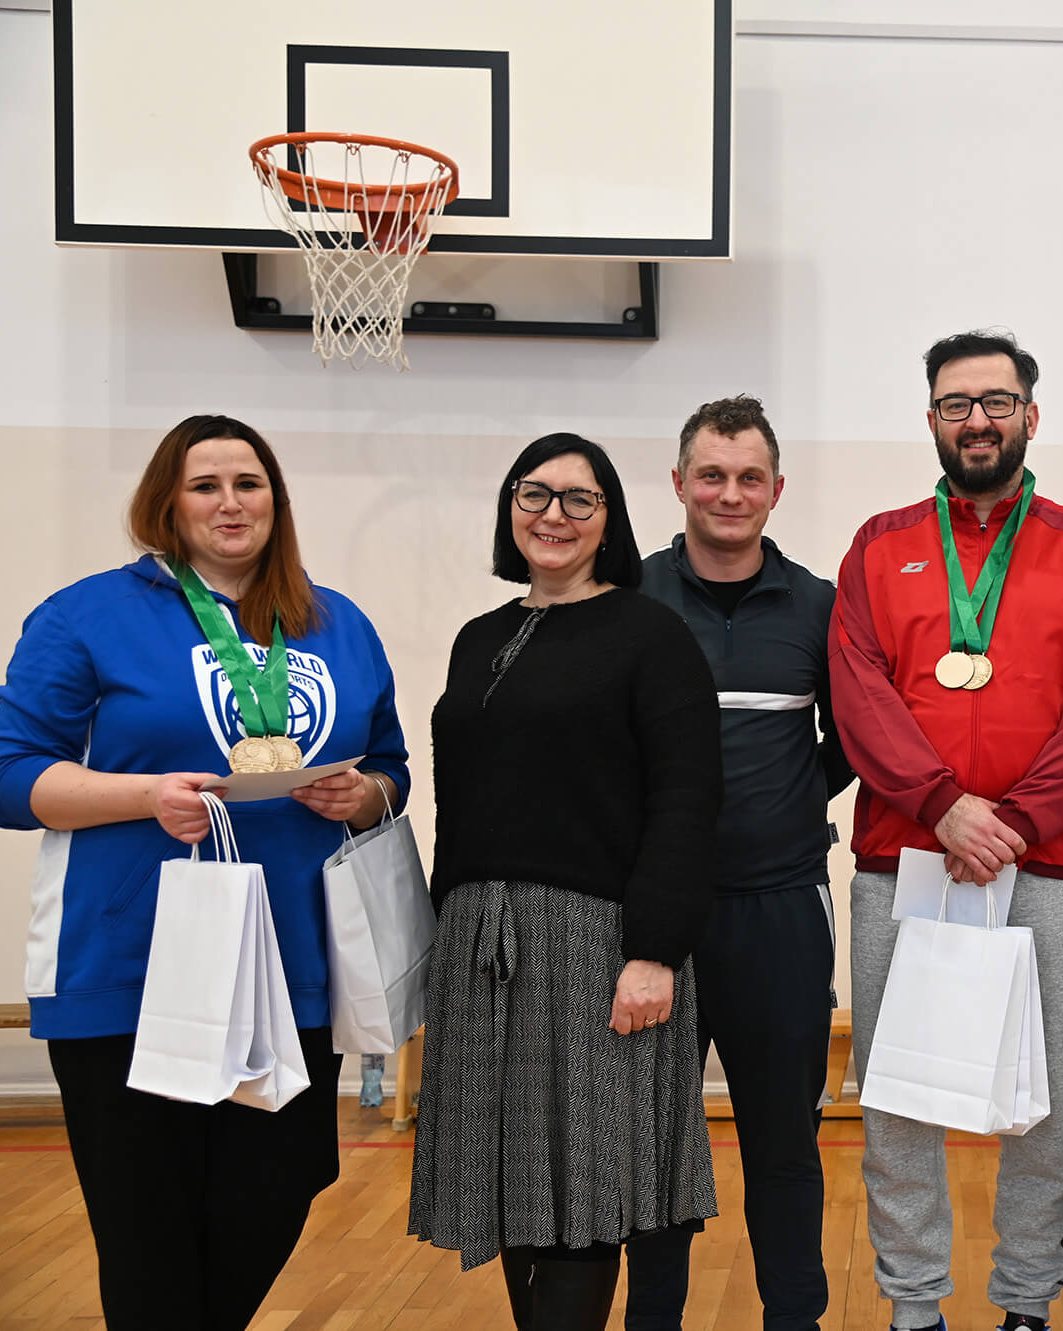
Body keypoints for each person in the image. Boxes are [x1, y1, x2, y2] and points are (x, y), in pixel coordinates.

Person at [0, 414, 410, 1329]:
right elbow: (7, 777)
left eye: (248, 484)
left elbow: (391, 768)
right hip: (129, 975)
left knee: (274, 1198)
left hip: (292, 973)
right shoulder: (86, 615)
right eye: (204, 485)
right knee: (151, 1238)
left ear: (276, 500)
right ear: (166, 502)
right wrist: (143, 796)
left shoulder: (337, 622)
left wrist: (363, 793)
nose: (229, 503)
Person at [830, 329, 1063, 1331]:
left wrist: (1017, 820)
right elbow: (858, 692)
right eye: (956, 403)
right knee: (898, 1097)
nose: (977, 420)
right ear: (930, 418)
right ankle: (914, 1304)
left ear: (1029, 416)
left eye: (996, 402)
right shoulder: (878, 544)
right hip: (906, 859)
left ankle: (1025, 1303)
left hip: (1043, 864)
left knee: (1040, 1100)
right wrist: (944, 806)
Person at [408, 433, 723, 1330]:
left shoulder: (651, 635)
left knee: (584, 1183)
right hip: (478, 941)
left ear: (608, 519)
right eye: (535, 494)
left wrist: (654, 951)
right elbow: (459, 804)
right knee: (516, 1180)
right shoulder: (478, 638)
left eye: (579, 499)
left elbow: (687, 801)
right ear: (510, 507)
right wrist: (442, 935)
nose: (554, 514)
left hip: (598, 945)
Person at [627, 395, 854, 1330]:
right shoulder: (628, 595)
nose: (730, 493)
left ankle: (794, 1317)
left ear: (776, 489)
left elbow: (852, 739)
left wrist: (788, 801)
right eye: (712, 475)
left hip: (780, 912)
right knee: (653, 1148)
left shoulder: (819, 605)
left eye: (748, 477)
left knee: (784, 1145)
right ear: (679, 482)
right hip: (650, 921)